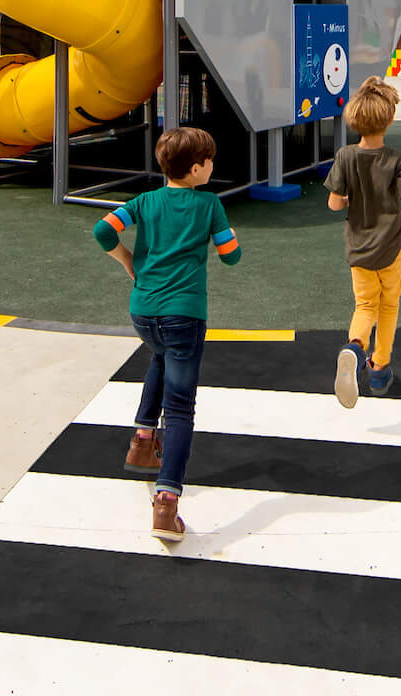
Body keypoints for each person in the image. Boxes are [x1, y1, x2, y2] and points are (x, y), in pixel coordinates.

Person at [92, 127, 243, 543]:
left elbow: (103, 231)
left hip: (144, 311)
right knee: (180, 409)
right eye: (209, 161)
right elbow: (232, 257)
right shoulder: (209, 204)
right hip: (185, 313)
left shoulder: (144, 201)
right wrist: (225, 240)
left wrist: (127, 261)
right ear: (196, 169)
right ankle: (167, 502)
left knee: (160, 354)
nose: (212, 166)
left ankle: (142, 440)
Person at [326, 77, 401, 408]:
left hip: (358, 247)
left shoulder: (345, 156)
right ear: (389, 119)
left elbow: (334, 203)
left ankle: (354, 347)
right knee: (389, 305)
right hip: (392, 247)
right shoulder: (398, 159)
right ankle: (379, 368)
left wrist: (348, 201)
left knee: (364, 305)